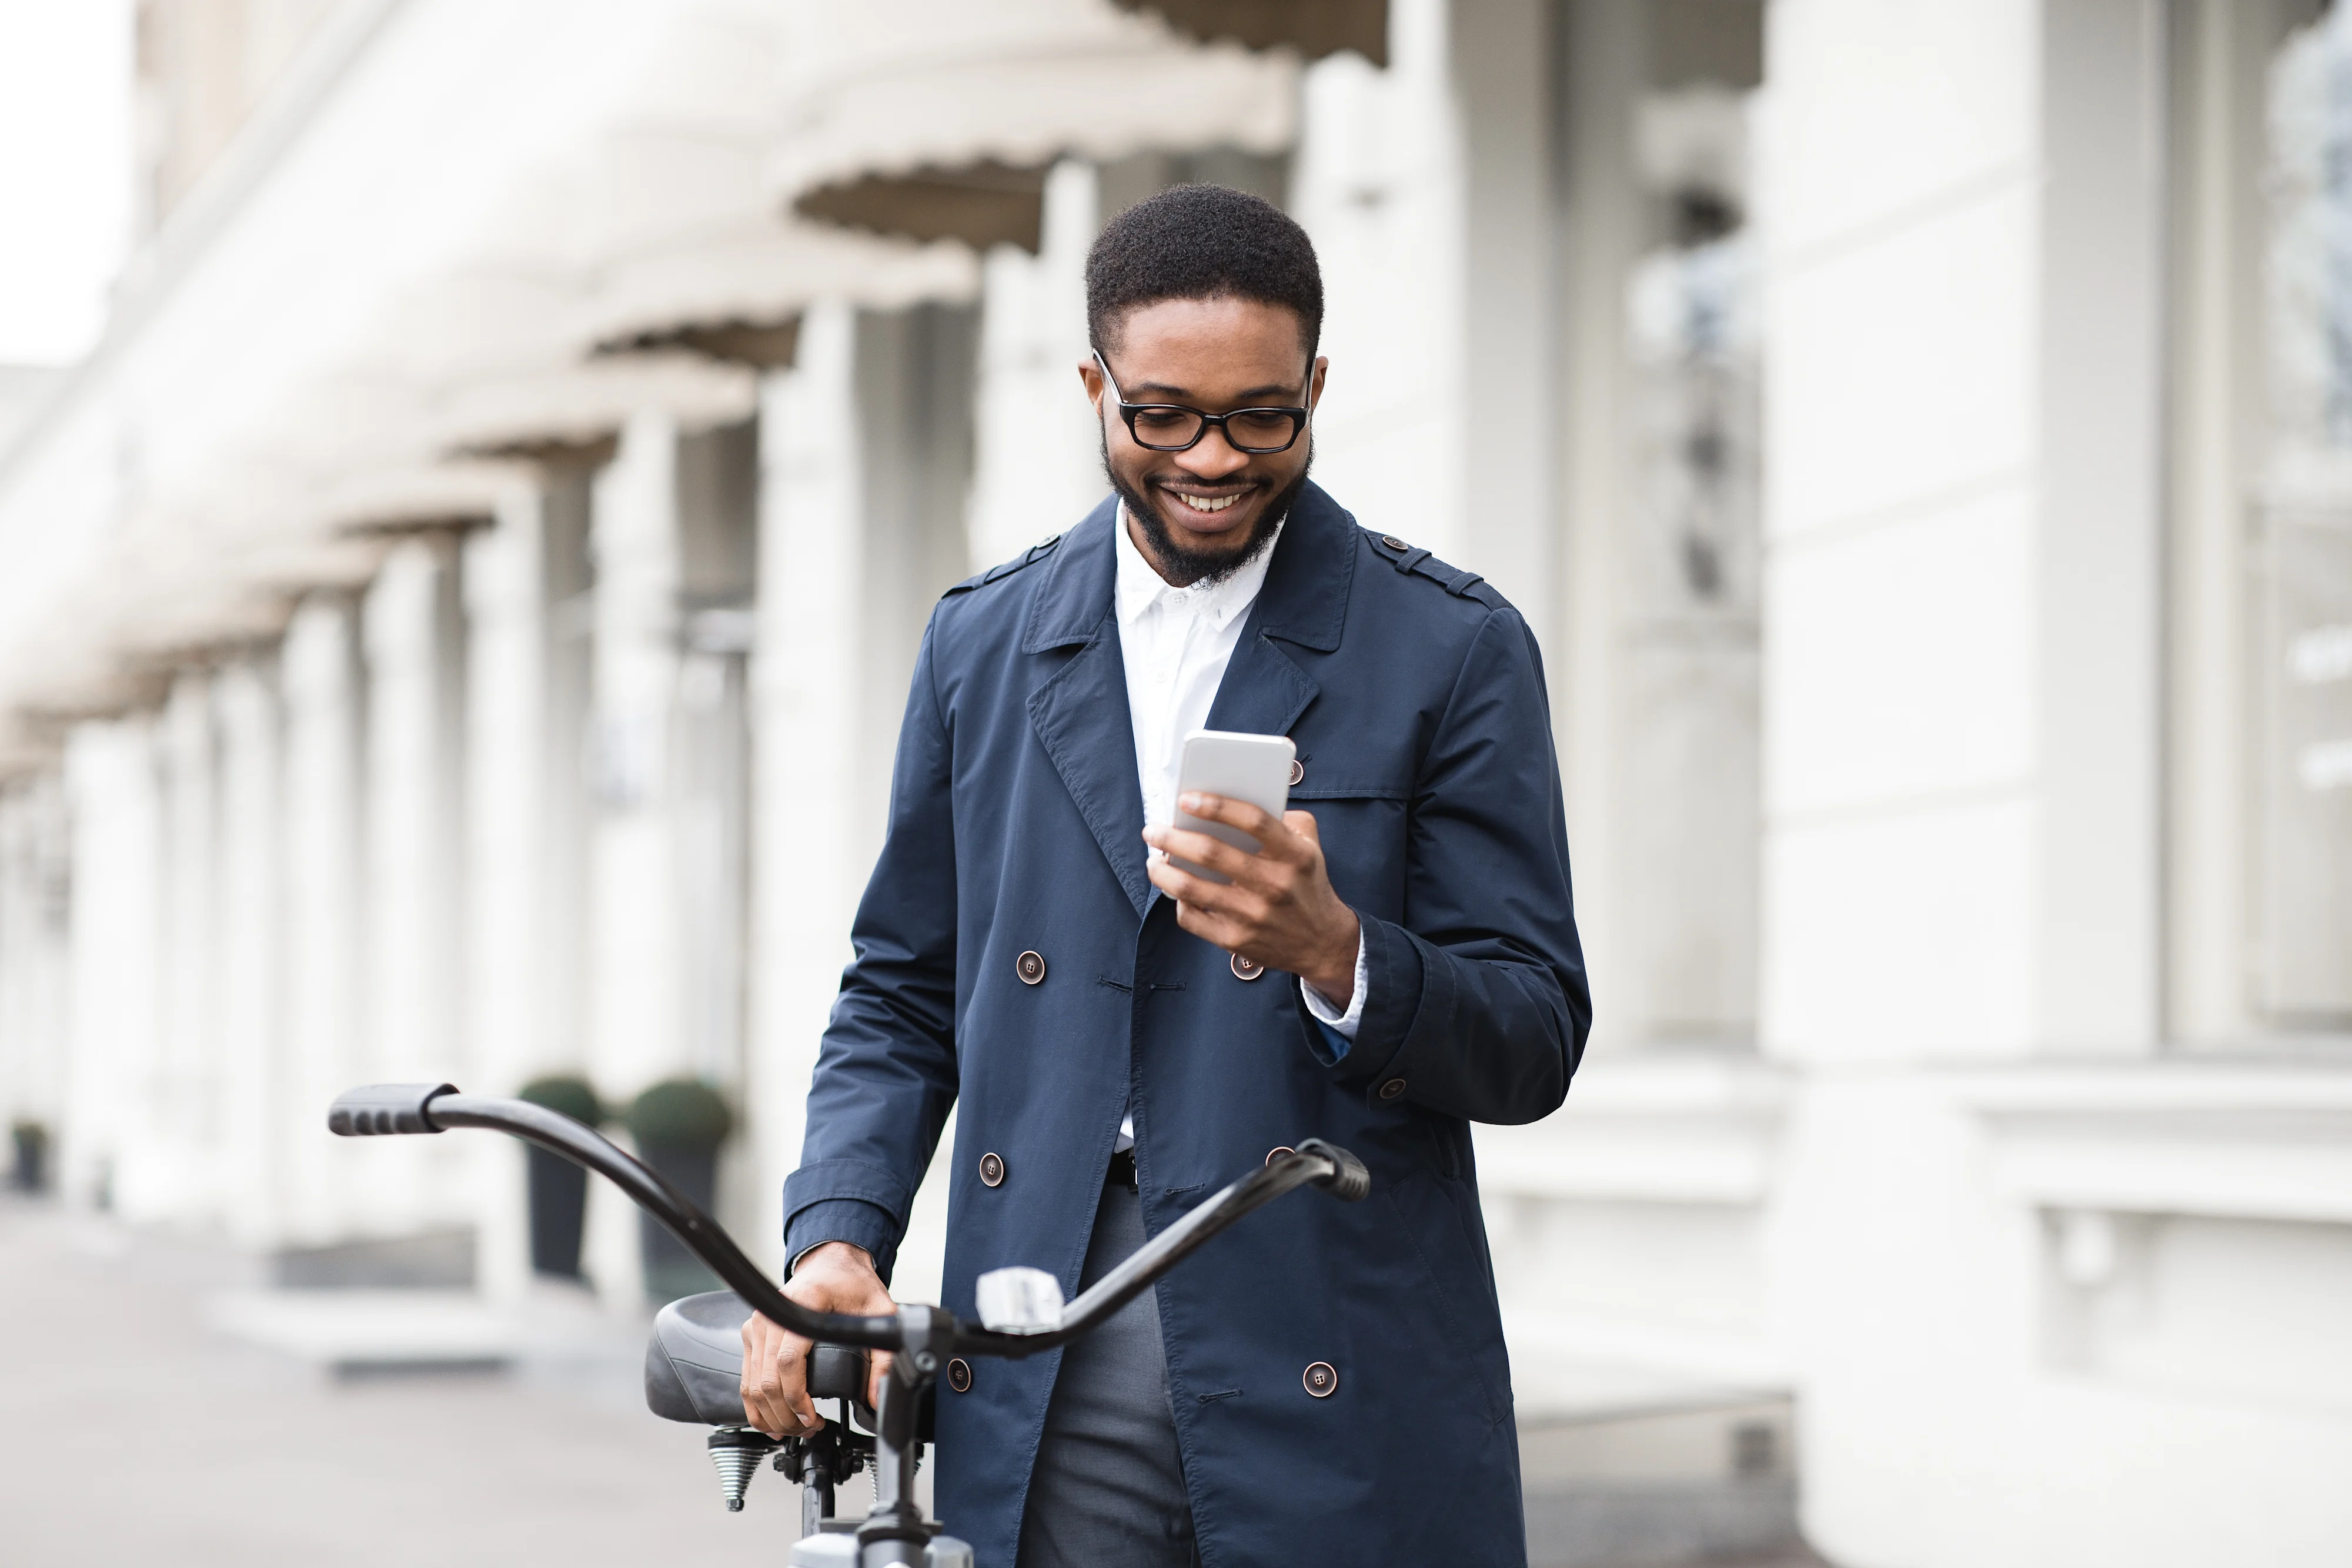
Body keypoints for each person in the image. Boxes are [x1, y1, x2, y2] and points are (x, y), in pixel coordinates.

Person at [740, 183, 1589, 1568]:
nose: (1212, 458)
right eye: (1162, 415)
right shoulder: (982, 644)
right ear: (1093, 388)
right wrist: (835, 1234)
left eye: (1261, 417)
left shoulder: (1448, 646)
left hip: (1327, 1311)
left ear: (1315, 387)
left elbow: (1534, 1035)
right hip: (1050, 1308)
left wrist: (1340, 952)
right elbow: (900, 990)